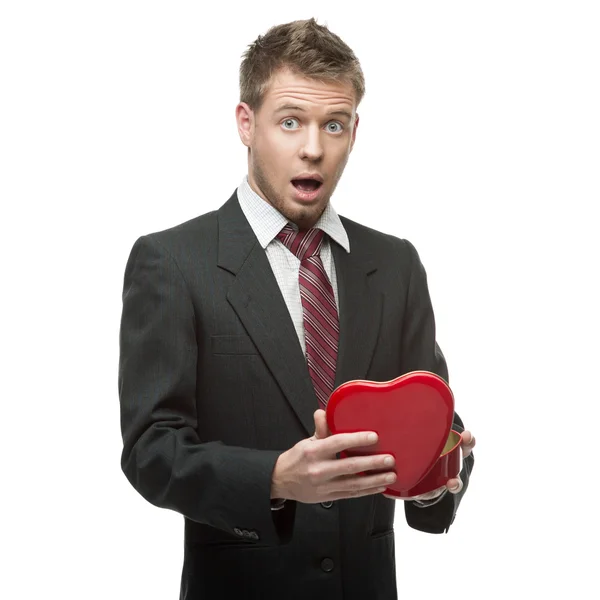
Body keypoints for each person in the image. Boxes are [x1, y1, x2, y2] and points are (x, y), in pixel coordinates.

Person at [118, 17, 476, 600]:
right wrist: (275, 479)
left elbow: (431, 421)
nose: (313, 148)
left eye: (333, 125)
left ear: (354, 130)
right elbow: (151, 449)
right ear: (246, 124)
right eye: (290, 122)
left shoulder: (396, 265)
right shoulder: (172, 262)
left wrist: (440, 476)